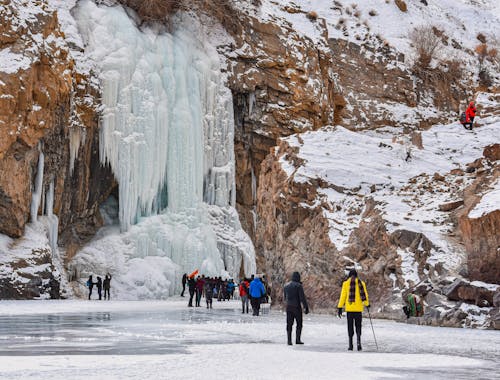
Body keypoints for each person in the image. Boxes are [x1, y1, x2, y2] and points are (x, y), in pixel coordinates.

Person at [337, 269, 370, 351]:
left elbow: (343, 296)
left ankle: (350, 344)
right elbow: (364, 295)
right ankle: (359, 343)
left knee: (350, 327)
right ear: (356, 275)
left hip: (349, 309)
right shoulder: (361, 283)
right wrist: (367, 304)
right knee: (358, 326)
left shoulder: (346, 284)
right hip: (358, 309)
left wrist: (340, 307)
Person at [284, 272, 309, 345]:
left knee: (289, 324)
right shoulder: (298, 286)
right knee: (299, 324)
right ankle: (297, 340)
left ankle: (289, 340)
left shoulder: (286, 286)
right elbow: (302, 298)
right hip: (296, 307)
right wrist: (306, 307)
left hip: (288, 307)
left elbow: (285, 297)